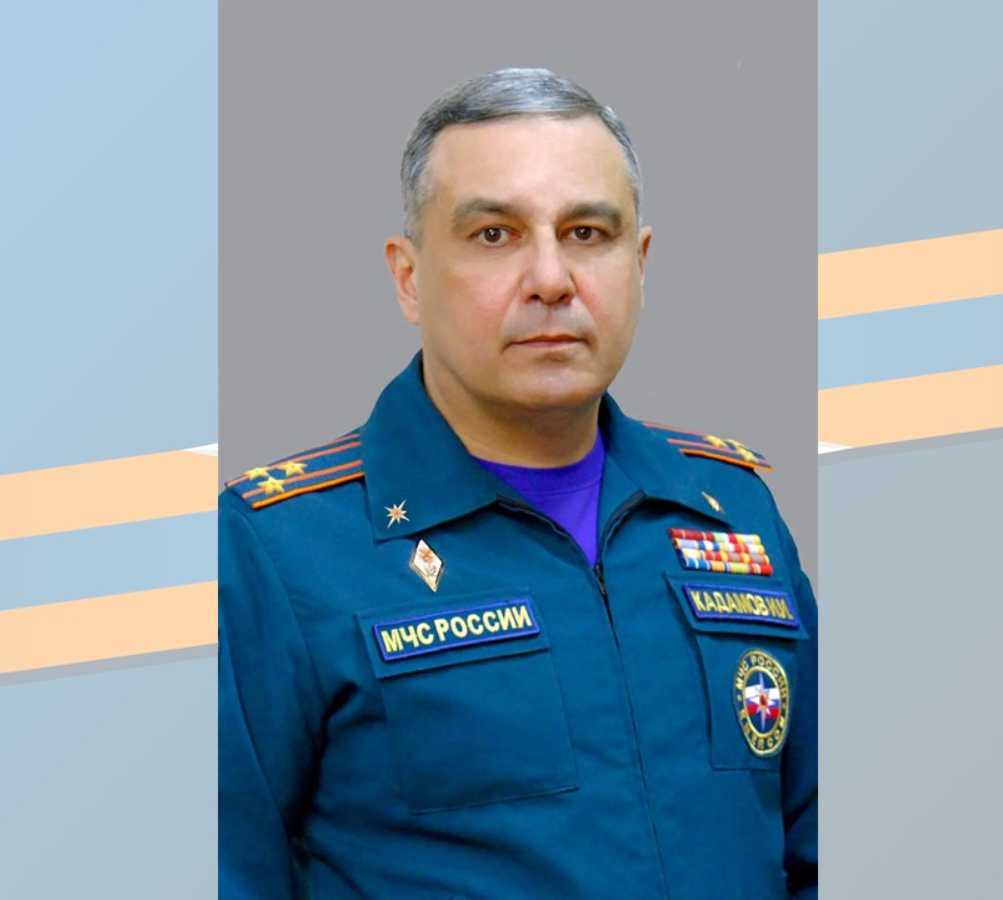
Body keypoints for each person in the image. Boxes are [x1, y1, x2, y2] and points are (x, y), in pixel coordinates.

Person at [220, 68, 817, 899]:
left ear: (640, 264)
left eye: (587, 233)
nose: (551, 278)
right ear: (408, 278)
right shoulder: (280, 549)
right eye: (494, 235)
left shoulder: (732, 511)